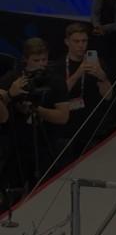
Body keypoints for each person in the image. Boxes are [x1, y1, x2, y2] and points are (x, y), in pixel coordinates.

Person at [0, 38, 69, 189]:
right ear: (26, 60)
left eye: (44, 59)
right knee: (14, 190)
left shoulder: (55, 80)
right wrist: (10, 94)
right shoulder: (14, 77)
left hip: (45, 145)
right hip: (16, 146)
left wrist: (37, 109)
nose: (41, 64)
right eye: (36, 60)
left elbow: (63, 117)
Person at [54, 23, 113, 155]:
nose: (81, 45)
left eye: (84, 41)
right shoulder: (58, 66)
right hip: (67, 128)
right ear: (67, 42)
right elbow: (59, 95)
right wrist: (78, 74)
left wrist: (102, 77)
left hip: (92, 127)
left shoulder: (98, 63)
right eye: (76, 41)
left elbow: (108, 96)